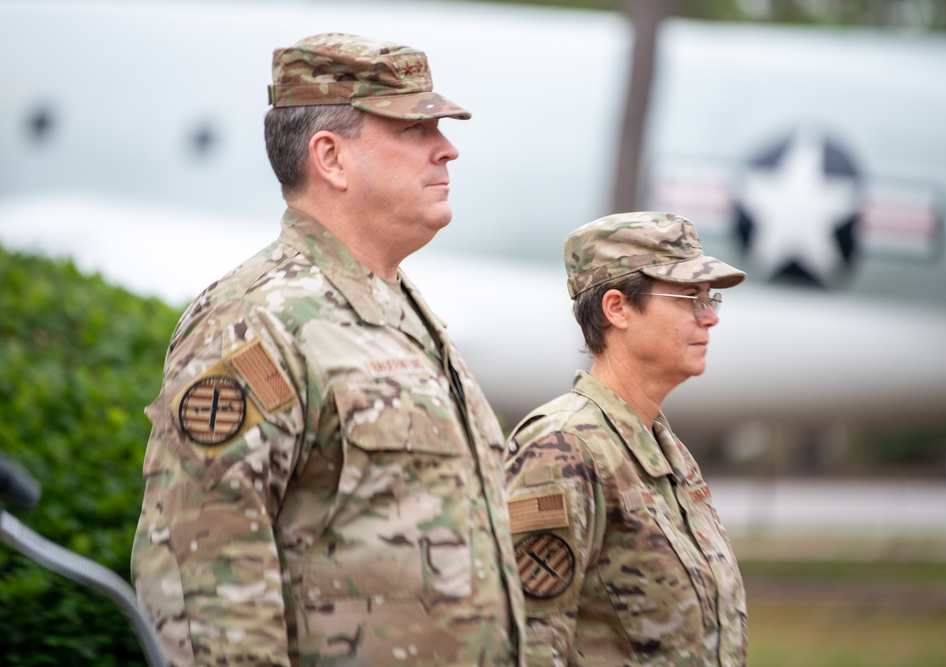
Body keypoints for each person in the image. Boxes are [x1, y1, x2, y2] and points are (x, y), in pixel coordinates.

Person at [131, 33, 525, 666]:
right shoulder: (258, 320)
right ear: (331, 158)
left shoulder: (402, 313)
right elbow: (203, 563)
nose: (446, 149)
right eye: (413, 130)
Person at [504, 212, 749, 666]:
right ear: (617, 308)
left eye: (709, 298)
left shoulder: (663, 447)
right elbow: (530, 641)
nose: (710, 317)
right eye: (689, 298)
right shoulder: (562, 447)